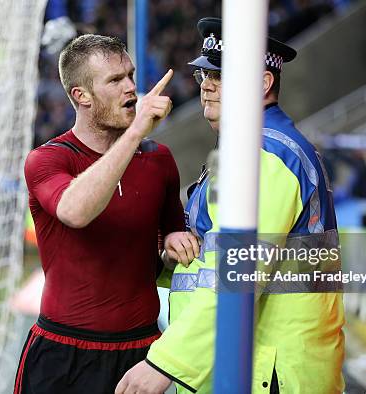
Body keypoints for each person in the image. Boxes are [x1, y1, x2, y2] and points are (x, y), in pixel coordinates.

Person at [116, 17, 345, 394]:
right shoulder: (255, 149)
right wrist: (172, 256)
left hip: (268, 370)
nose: (206, 85)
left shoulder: (265, 155)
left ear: (263, 83)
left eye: (221, 76)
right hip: (258, 363)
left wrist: (165, 363)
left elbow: (240, 271)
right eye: (204, 75)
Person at [14, 34, 198, 394]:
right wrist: (135, 134)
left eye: (130, 75)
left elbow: (169, 245)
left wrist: (176, 243)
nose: (131, 88)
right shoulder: (49, 159)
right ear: (80, 96)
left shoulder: (159, 160)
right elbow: (75, 212)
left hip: (142, 352)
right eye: (115, 80)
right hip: (63, 353)